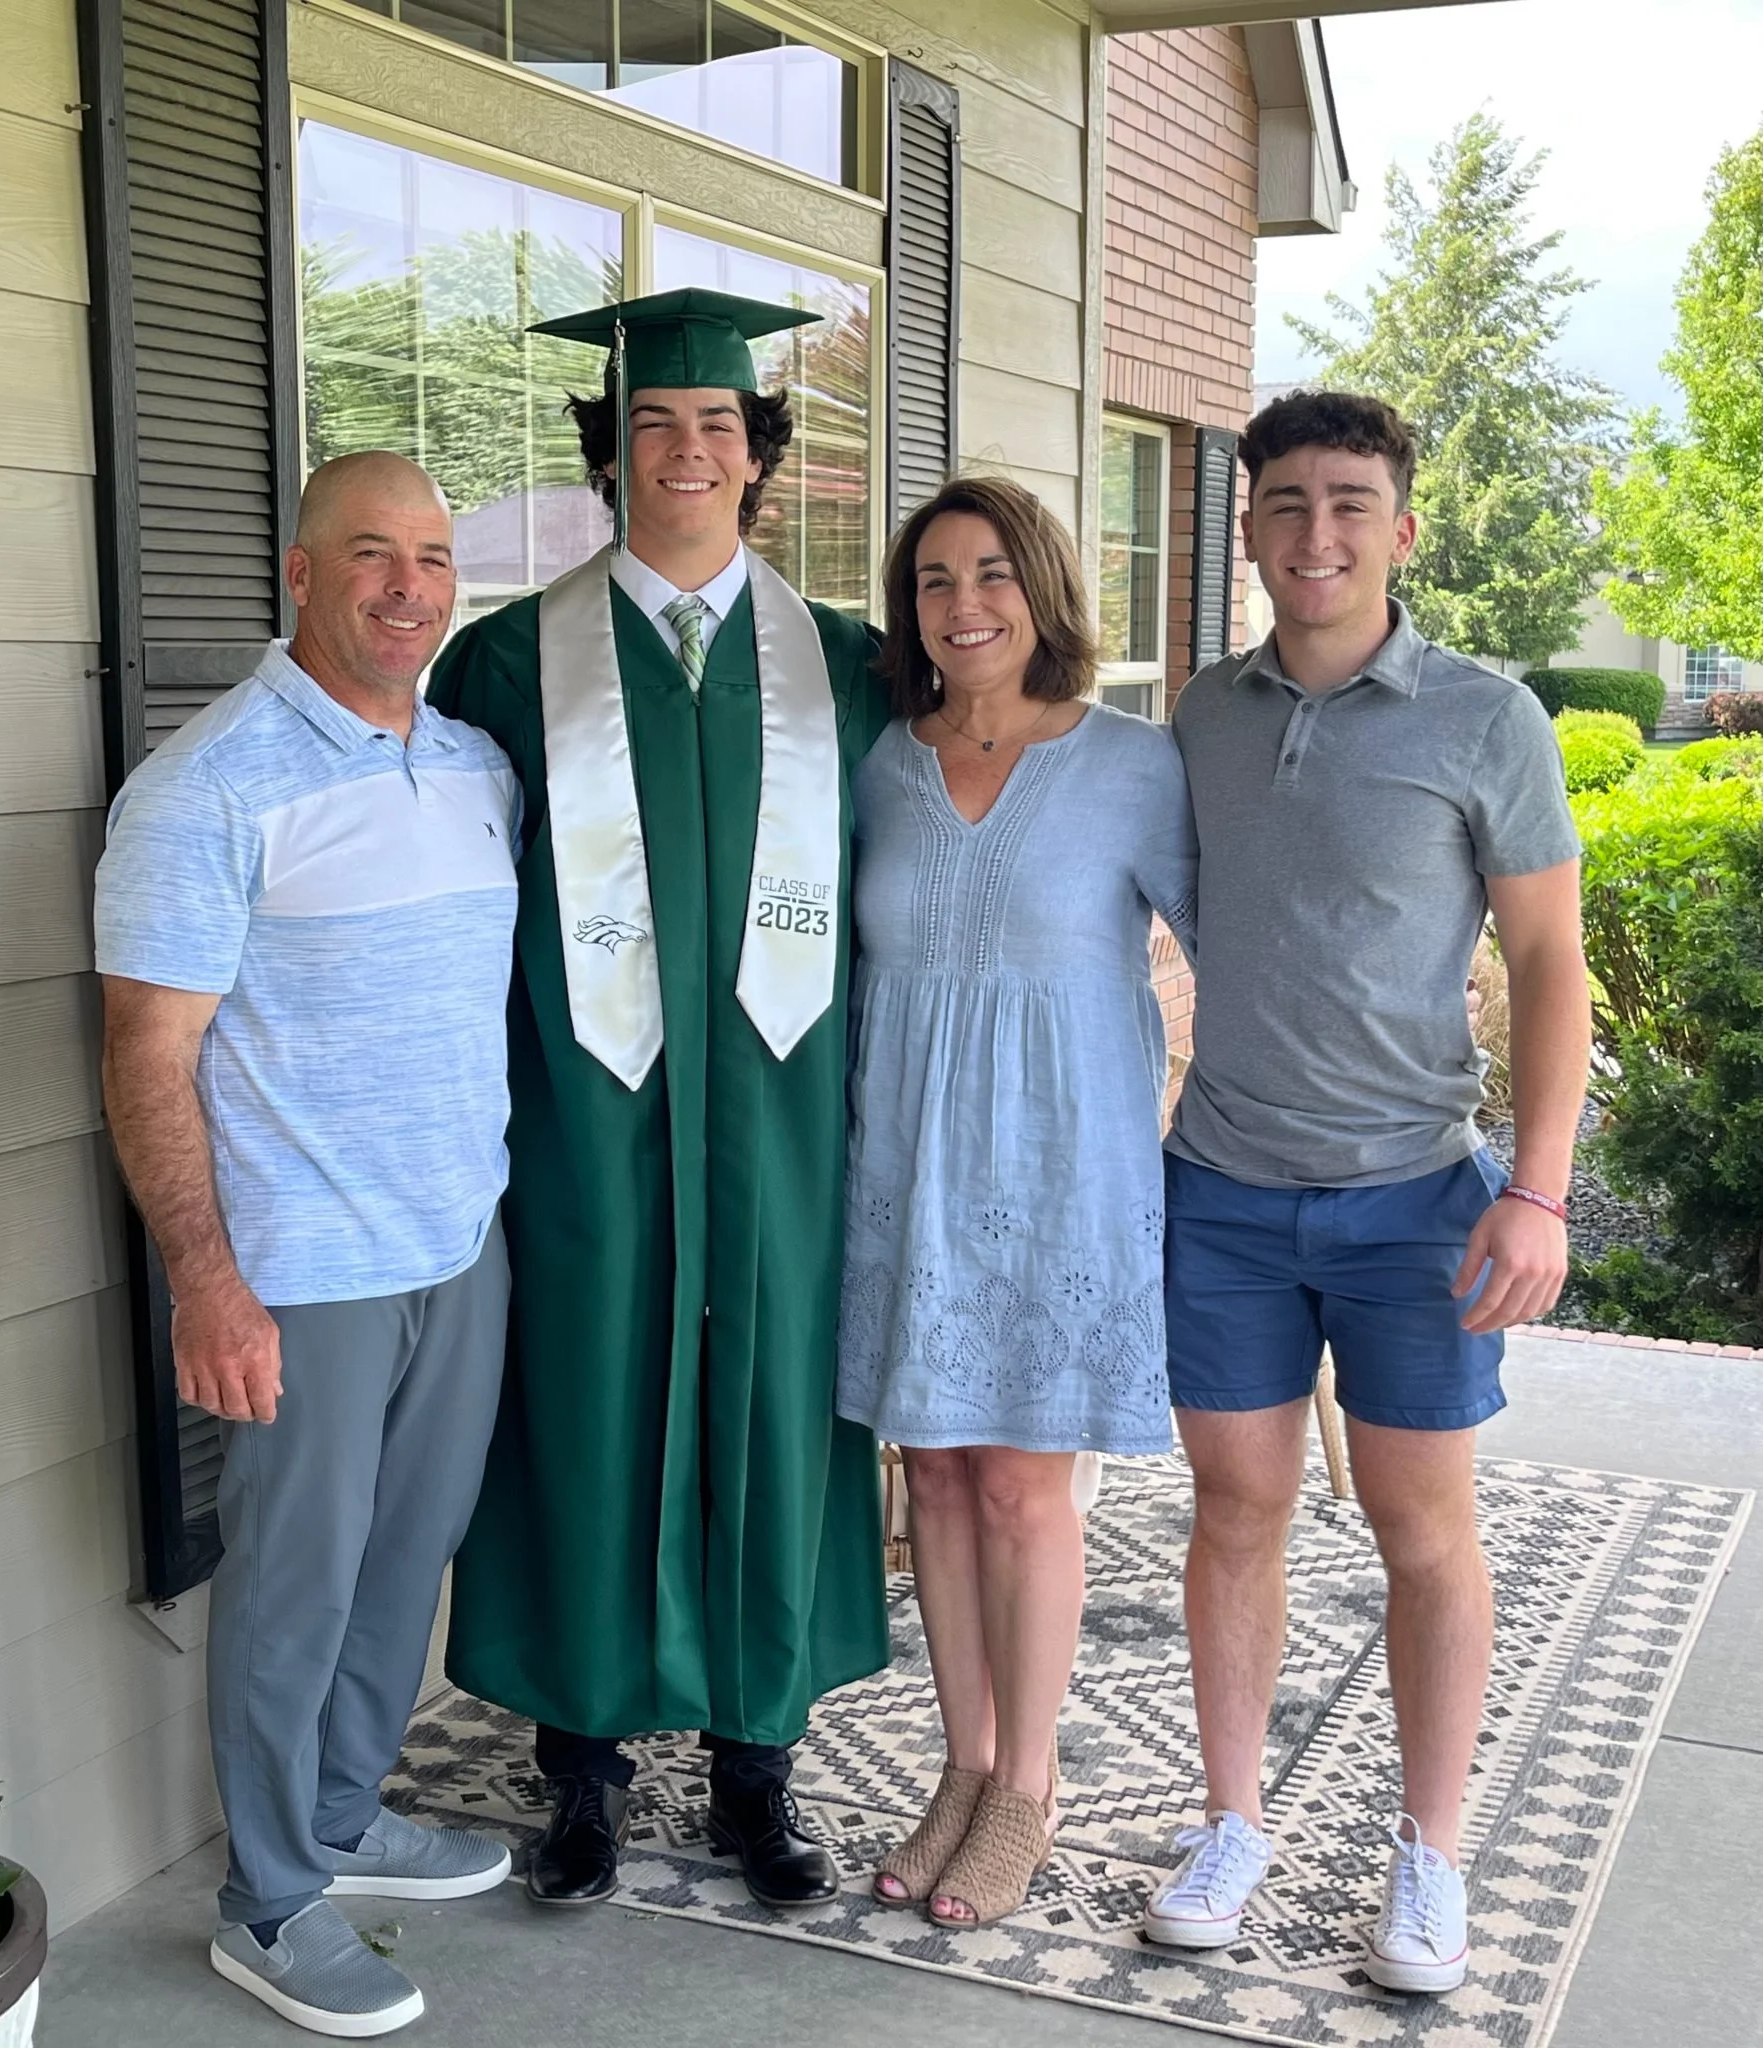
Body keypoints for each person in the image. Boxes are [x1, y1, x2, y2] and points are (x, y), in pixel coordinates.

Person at [425, 289, 892, 1913]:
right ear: (611, 455)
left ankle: (761, 1767)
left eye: (718, 425)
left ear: (759, 456)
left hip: (779, 1127)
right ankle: (584, 1775)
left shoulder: (846, 667)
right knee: (593, 1405)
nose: (687, 451)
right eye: (654, 425)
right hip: (589, 1132)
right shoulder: (504, 659)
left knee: (769, 1408)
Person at [1142, 392, 1590, 1995]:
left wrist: (1535, 1193)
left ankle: (1430, 1856)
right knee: (1238, 1511)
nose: (1314, 535)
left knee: (1422, 1532)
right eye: (1284, 505)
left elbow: (1549, 967)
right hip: (1227, 1195)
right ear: (1247, 526)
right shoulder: (1200, 714)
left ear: (1401, 529)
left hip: (1418, 1201)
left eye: (1349, 504)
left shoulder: (1487, 719)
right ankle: (1231, 1820)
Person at [95, 452, 521, 2037]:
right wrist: (206, 1277)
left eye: (430, 555)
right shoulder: (210, 786)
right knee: (294, 1582)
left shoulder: (475, 765)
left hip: (455, 1241)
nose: (407, 585)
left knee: (403, 1558)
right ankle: (271, 1897)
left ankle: (347, 1812)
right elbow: (147, 1050)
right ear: (297, 570)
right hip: (305, 1266)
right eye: (369, 553)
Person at [839, 475, 1198, 1929]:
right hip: (906, 1164)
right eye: (933, 580)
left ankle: (1030, 1785)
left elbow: (1233, 945)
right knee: (930, 1474)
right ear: (908, 609)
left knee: (1021, 1483)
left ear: (1042, 587)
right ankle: (964, 1765)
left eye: (991, 572)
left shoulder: (1132, 763)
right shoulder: (879, 764)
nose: (964, 602)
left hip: (1065, 1171)